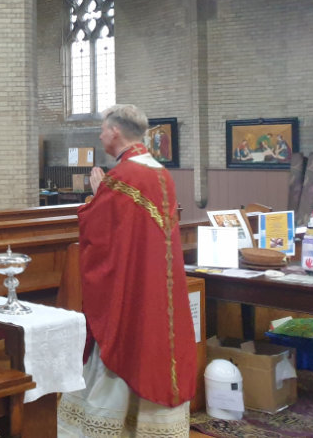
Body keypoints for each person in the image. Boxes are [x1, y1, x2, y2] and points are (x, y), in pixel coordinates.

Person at [58, 104, 195, 437]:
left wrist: (95, 198)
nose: (101, 135)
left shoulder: (123, 178)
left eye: (103, 129)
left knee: (123, 345)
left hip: (130, 289)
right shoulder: (161, 173)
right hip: (155, 285)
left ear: (115, 131)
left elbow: (100, 236)